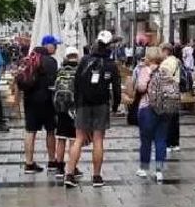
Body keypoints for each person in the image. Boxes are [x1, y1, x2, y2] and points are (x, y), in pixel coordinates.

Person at [65, 31, 121, 188]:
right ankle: (96, 177)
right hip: (101, 105)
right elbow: (116, 89)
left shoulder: (84, 60)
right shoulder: (111, 65)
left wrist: (76, 103)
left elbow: (76, 83)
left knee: (78, 139)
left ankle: (69, 174)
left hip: (83, 104)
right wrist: (115, 106)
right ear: (109, 46)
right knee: (98, 140)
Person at [21, 35, 60, 173]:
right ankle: (52, 161)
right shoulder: (51, 61)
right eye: (55, 45)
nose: (56, 48)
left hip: (30, 100)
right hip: (47, 100)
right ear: (47, 45)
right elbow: (53, 81)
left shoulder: (30, 58)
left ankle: (29, 163)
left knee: (30, 131)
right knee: (50, 131)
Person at [135, 48, 170, 182]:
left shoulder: (146, 70)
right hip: (164, 109)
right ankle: (159, 171)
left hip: (147, 108)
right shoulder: (165, 71)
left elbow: (141, 87)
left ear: (149, 57)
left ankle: (144, 169)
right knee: (161, 140)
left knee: (146, 140)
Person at [52, 47, 82, 179]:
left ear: (66, 56)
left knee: (61, 138)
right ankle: (72, 167)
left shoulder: (60, 70)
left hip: (60, 108)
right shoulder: (80, 70)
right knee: (73, 140)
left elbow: (54, 88)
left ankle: (59, 167)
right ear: (77, 56)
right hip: (74, 109)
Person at [160, 42, 183, 151]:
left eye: (161, 50)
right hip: (175, 90)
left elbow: (163, 77)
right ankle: (175, 143)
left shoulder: (166, 63)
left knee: (167, 119)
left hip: (167, 91)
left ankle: (168, 143)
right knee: (174, 118)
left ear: (165, 51)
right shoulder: (176, 61)